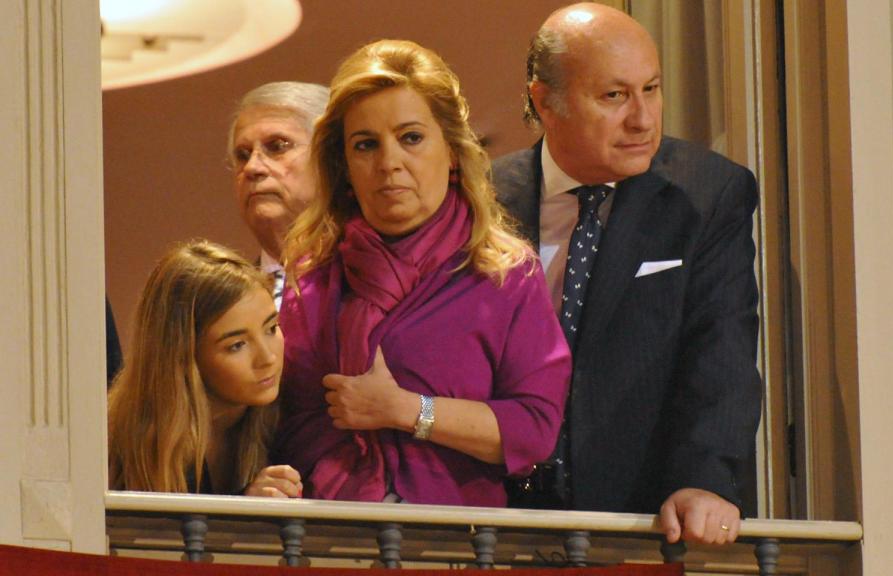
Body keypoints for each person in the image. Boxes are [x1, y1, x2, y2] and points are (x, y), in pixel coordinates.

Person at [492, 3, 762, 546]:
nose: (643, 119)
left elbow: (721, 348)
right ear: (545, 102)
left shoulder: (708, 193)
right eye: (614, 96)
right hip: (494, 519)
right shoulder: (481, 199)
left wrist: (704, 479)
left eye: (652, 89)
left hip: (642, 524)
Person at [275, 39, 571, 507]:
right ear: (344, 165)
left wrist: (407, 410)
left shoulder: (505, 274)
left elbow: (535, 430)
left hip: (455, 535)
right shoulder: (313, 276)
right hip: (331, 531)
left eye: (411, 138)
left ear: (451, 150)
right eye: (366, 145)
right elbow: (287, 427)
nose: (389, 163)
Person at [108, 240, 302, 497]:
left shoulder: (291, 416)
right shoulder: (121, 441)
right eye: (237, 345)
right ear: (183, 356)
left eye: (271, 328)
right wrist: (243, 509)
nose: (268, 358)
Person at [228, 81, 329, 308]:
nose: (252, 167)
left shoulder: (381, 284)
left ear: (331, 157)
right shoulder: (226, 309)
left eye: (277, 146)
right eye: (242, 155)